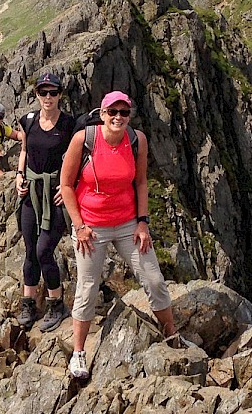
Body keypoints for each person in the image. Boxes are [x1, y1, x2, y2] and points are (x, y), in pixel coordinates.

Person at [59, 91, 178, 379]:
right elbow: (65, 185)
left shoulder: (136, 140)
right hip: (91, 226)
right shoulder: (84, 140)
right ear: (102, 114)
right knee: (87, 288)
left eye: (124, 113)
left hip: (127, 224)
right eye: (112, 112)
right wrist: (79, 226)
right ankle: (78, 354)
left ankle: (172, 337)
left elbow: (140, 183)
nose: (118, 118)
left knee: (154, 279)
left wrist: (143, 222)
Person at [15, 72, 77, 331]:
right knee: (30, 250)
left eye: (53, 92)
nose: (48, 97)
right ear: (37, 95)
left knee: (43, 251)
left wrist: (68, 186)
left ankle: (56, 303)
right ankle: (28, 303)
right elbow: (25, 151)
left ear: (60, 94)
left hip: (54, 194)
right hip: (31, 192)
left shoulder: (69, 124)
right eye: (43, 92)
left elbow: (79, 158)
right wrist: (19, 176)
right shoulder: (28, 121)